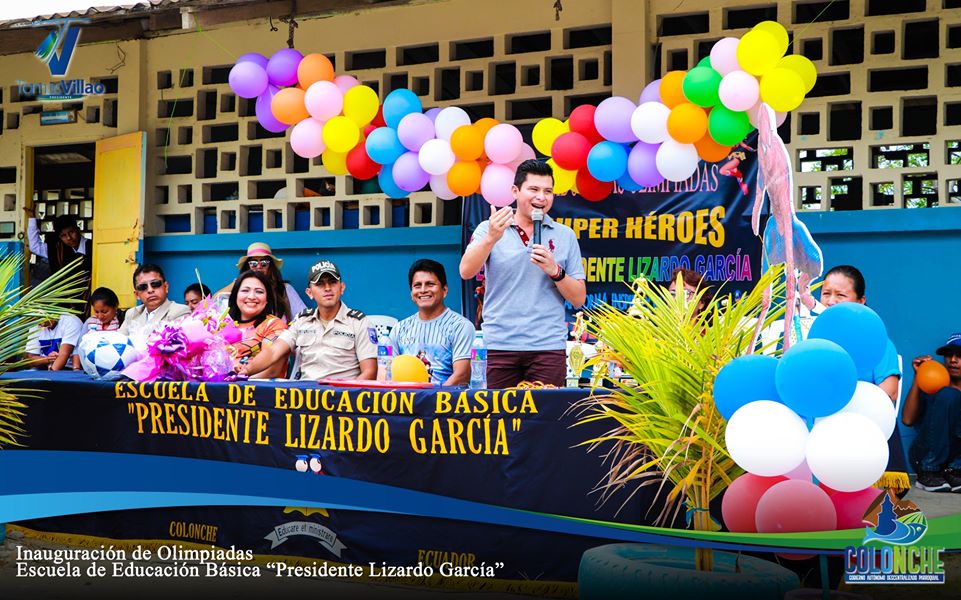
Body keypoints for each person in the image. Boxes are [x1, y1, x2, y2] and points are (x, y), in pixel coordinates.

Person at [460, 159, 586, 388]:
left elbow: (578, 298)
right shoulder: (489, 228)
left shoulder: (564, 235)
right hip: (499, 345)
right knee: (499, 411)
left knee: (545, 411)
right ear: (515, 191)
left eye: (548, 191)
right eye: (534, 189)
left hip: (547, 347)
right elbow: (466, 271)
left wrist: (555, 271)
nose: (541, 197)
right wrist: (491, 238)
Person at [818, 265, 909, 494]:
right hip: (821, 425)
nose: (831, 301)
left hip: (863, 426)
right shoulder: (813, 340)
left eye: (840, 295)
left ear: (861, 301)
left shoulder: (877, 341)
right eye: (826, 293)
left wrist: (853, 410)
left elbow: (889, 391)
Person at [238, 260, 377, 381]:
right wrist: (247, 370)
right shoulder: (302, 321)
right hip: (307, 396)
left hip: (343, 395)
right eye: (320, 284)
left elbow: (370, 372)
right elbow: (274, 352)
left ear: (342, 288)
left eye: (333, 282)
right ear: (309, 293)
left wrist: (345, 396)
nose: (327, 288)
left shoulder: (359, 322)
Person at [391, 259, 475, 386]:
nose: (423, 290)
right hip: (406, 397)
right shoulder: (400, 328)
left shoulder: (460, 326)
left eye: (430, 284)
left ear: (444, 290)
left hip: (445, 397)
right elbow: (386, 372)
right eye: (417, 285)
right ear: (411, 293)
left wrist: (435, 396)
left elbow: (462, 375)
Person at [902, 334, 961, 492]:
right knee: (948, 394)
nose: (953, 360)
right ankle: (929, 471)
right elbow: (907, 420)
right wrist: (919, 376)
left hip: (955, 465)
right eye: (949, 355)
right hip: (926, 458)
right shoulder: (933, 384)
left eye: (960, 355)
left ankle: (956, 470)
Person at [215, 243, 306, 321]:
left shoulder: (284, 288)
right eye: (253, 263)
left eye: (264, 263)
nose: (258, 267)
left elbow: (303, 317)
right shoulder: (240, 288)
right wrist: (239, 282)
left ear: (270, 266)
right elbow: (215, 300)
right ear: (247, 266)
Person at [226, 271, 287, 379]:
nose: (251, 296)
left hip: (258, 387)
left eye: (259, 292)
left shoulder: (274, 325)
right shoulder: (221, 325)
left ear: (267, 299)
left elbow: (272, 370)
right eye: (245, 290)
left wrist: (237, 381)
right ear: (235, 295)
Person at [24, 213, 92, 299]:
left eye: (71, 232)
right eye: (63, 235)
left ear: (78, 229)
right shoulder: (58, 250)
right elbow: (35, 247)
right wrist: (32, 218)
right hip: (67, 300)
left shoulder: (92, 247)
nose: (69, 238)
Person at [118, 264, 191, 344]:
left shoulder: (179, 311)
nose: (150, 290)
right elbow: (118, 343)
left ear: (166, 287)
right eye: (143, 287)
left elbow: (175, 346)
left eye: (155, 284)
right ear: (137, 295)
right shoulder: (132, 314)